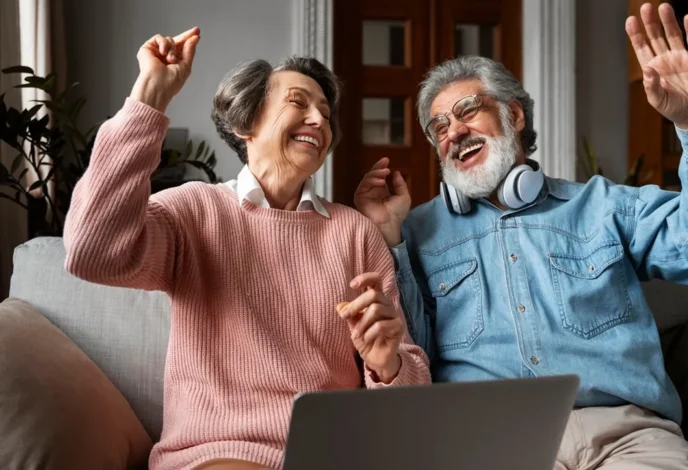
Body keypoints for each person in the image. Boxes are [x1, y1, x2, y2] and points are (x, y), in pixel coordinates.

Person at [354, 3, 688, 469]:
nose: (454, 132)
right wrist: (389, 235)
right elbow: (411, 358)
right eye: (440, 127)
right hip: (493, 443)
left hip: (625, 436)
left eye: (467, 111)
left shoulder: (604, 205)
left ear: (513, 116)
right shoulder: (418, 231)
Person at [63, 27, 430, 470]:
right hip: (221, 453)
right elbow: (92, 251)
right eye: (298, 102)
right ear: (246, 123)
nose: (319, 120)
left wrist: (387, 365)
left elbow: (410, 390)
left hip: (333, 454)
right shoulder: (194, 211)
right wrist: (150, 97)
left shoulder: (354, 232)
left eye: (326, 113)